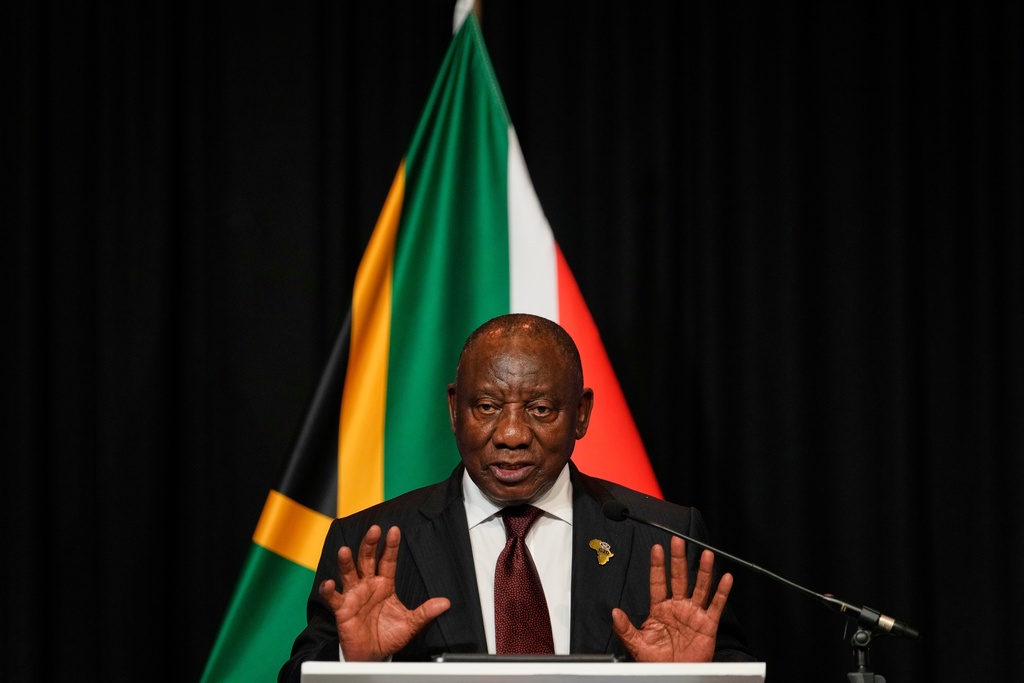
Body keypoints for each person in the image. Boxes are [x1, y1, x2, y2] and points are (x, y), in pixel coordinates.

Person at [279, 314, 753, 681]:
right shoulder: (371, 542)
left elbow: (735, 669)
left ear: (581, 415)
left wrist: (693, 678)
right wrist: (357, 666)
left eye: (540, 409)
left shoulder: (661, 537)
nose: (510, 434)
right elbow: (299, 675)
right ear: (453, 408)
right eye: (486, 407)